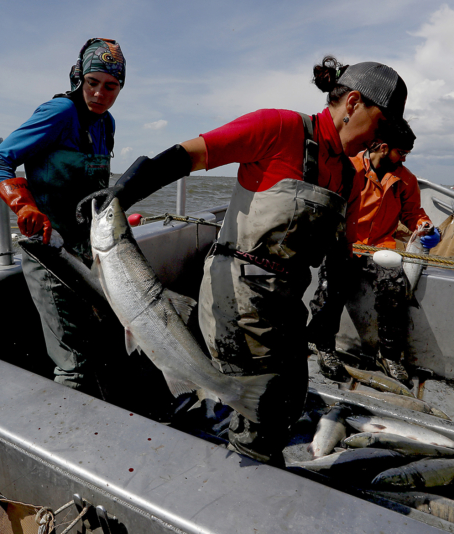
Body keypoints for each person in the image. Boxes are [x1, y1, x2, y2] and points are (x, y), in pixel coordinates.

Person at [79, 57, 407, 464]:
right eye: (381, 126)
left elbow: (338, 251)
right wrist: (122, 193)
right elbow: (189, 155)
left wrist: (326, 316)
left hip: (286, 301)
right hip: (238, 301)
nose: (379, 141)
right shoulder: (279, 128)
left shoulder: (345, 173)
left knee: (292, 397)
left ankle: (253, 459)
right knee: (263, 417)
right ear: (354, 103)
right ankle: (238, 489)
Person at [0, 38, 125, 394]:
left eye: (111, 86)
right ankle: (69, 433)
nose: (99, 94)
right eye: (93, 83)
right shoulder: (59, 113)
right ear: (79, 78)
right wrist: (24, 205)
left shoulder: (106, 124)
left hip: (87, 248)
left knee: (101, 336)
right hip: (50, 251)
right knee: (71, 362)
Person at [307, 118, 441, 383]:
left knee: (394, 286)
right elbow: (327, 204)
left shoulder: (406, 179)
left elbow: (413, 213)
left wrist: (425, 227)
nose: (403, 159)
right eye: (400, 152)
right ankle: (323, 346)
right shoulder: (348, 168)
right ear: (381, 146)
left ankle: (388, 355)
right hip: (345, 243)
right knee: (330, 287)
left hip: (382, 248)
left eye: (406, 154)